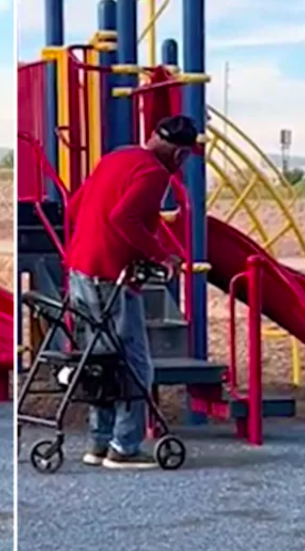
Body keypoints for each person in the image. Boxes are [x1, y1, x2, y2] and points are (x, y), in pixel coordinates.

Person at [65, 115, 199, 469]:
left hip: (81, 267)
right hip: (112, 275)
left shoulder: (116, 157)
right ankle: (124, 446)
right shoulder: (155, 174)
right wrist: (159, 254)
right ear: (180, 153)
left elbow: (74, 207)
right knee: (135, 362)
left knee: (100, 359)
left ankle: (97, 442)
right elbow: (123, 217)